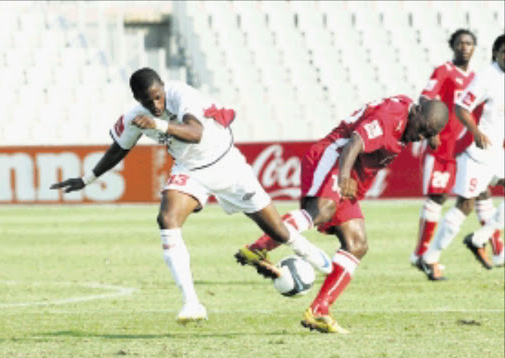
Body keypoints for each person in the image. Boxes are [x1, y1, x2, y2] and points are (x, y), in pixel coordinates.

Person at [50, 67, 332, 325]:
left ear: (163, 87)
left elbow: (195, 133)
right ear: (136, 99)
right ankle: (192, 303)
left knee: (278, 232)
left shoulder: (182, 94)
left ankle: (307, 252)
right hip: (191, 171)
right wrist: (87, 179)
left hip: (227, 165)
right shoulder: (135, 118)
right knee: (167, 218)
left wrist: (156, 124)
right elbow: (118, 149)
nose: (156, 106)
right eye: (148, 102)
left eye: (158, 98)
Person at [235, 95, 449, 333]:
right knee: (321, 211)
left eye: (426, 134)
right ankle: (258, 248)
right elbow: (354, 143)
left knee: (357, 244)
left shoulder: (416, 113)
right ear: (416, 113)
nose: (421, 138)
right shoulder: (391, 116)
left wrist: (433, 132)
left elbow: (427, 104)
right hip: (335, 158)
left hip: (355, 173)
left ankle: (319, 310)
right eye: (422, 130)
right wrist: (344, 176)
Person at [410, 29, 503, 269]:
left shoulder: (475, 75)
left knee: (480, 197)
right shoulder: (455, 72)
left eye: (469, 43)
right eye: (460, 42)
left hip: (478, 148)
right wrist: (432, 131)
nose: (464, 47)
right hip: (456, 147)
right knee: (447, 200)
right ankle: (424, 255)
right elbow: (437, 101)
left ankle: (492, 245)